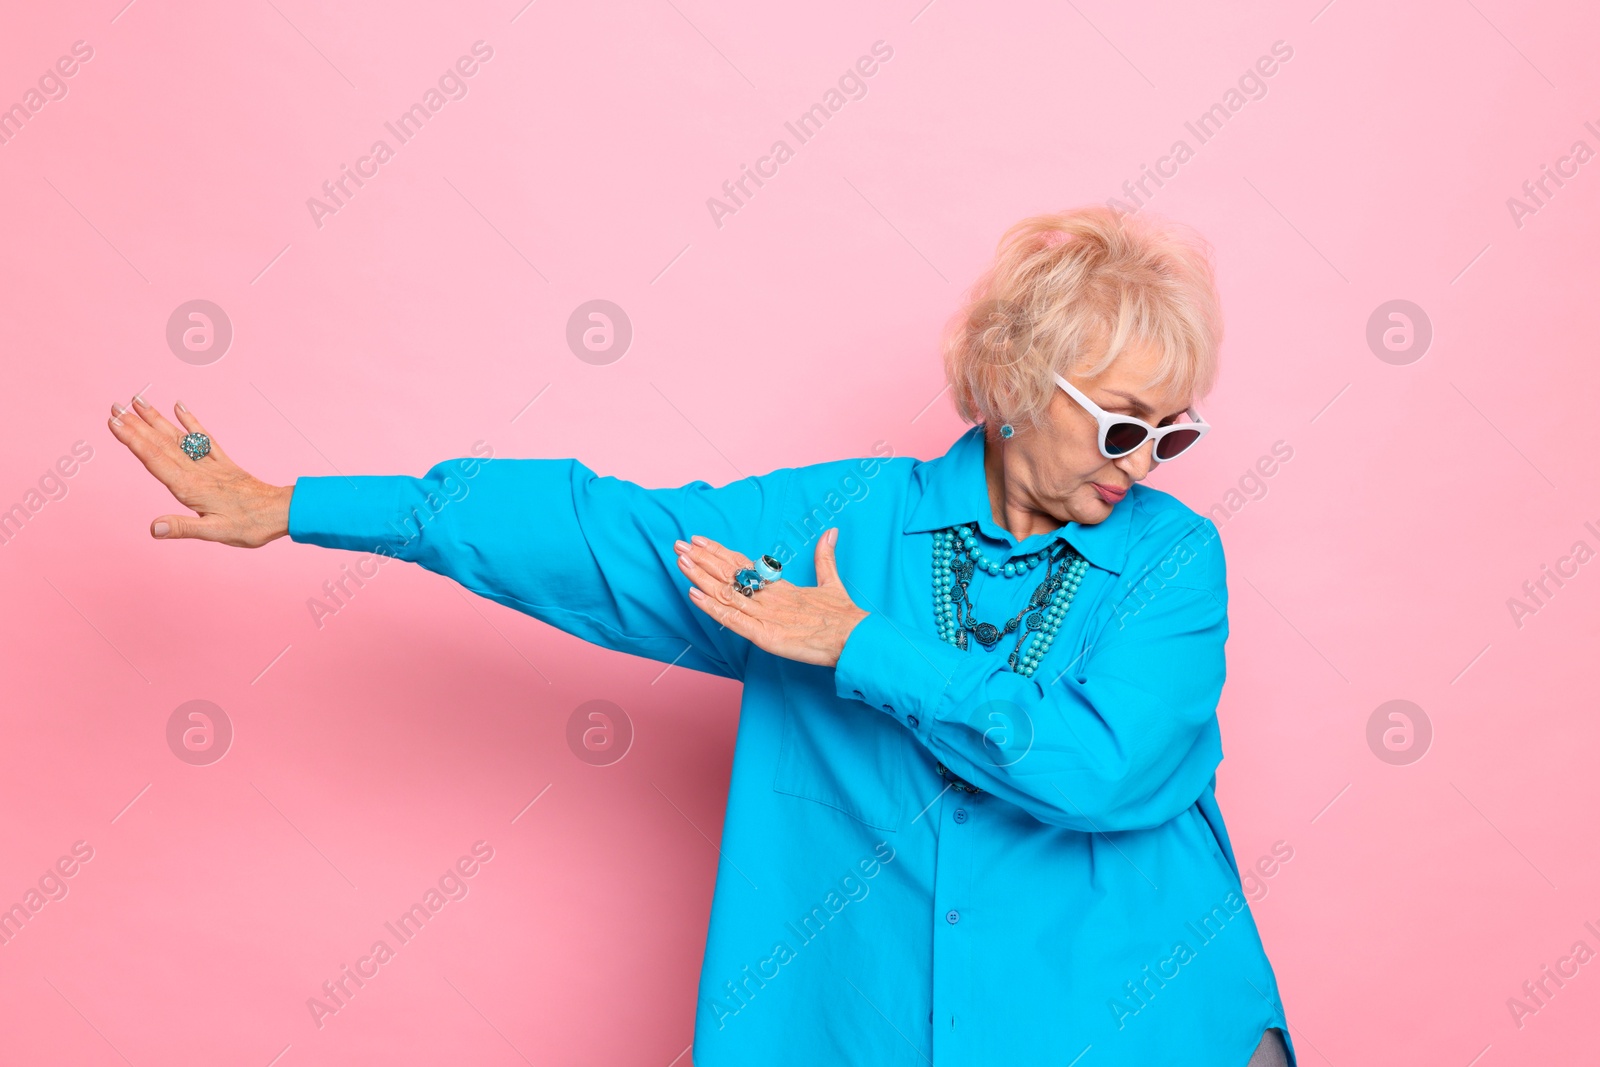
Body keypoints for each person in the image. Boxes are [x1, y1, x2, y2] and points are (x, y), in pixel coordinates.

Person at [109, 205, 1294, 1065]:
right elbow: (598, 532)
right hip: (856, 1014)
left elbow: (1101, 762)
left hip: (1129, 1015)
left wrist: (856, 647)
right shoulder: (841, 521)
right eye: (1121, 426)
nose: (1142, 465)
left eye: (1171, 434)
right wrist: (302, 506)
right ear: (1020, 380)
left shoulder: (1171, 561)